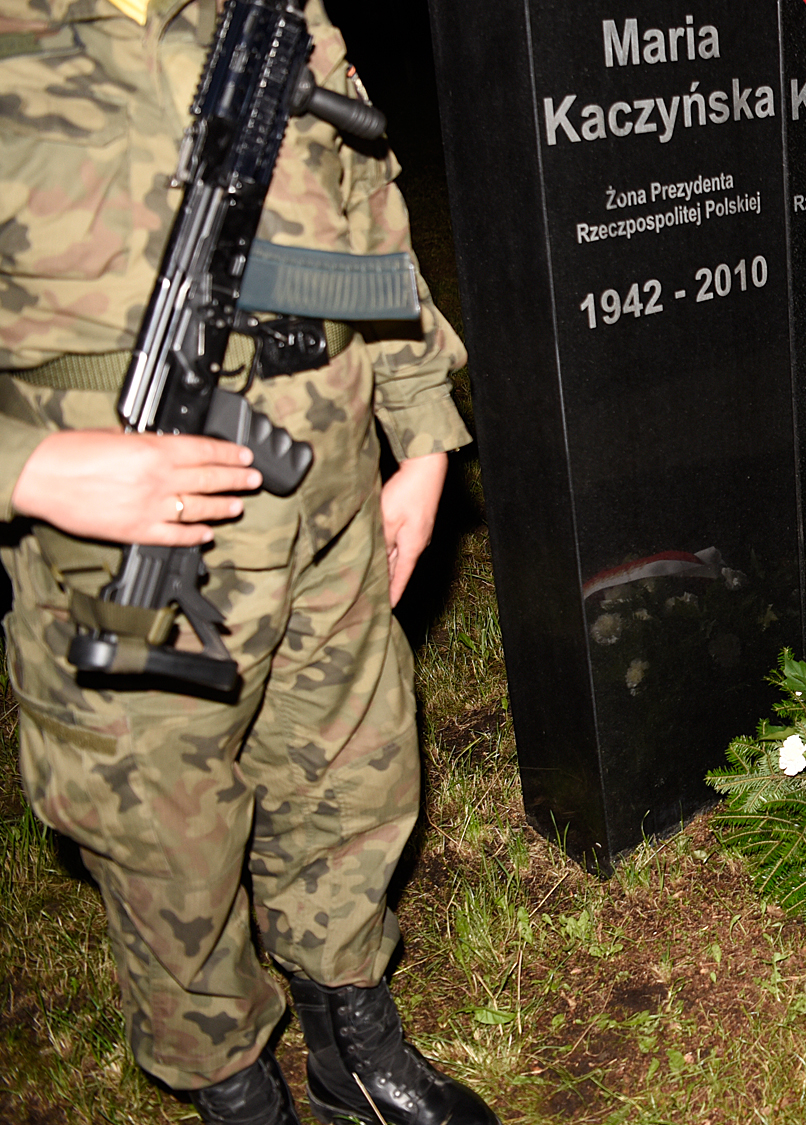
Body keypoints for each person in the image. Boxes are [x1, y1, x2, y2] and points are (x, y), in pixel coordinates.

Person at [0, 1, 494, 1123]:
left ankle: (350, 1041)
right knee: (162, 837)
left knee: (351, 775)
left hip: (328, 494)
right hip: (117, 539)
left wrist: (419, 434)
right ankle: (233, 1089)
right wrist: (27, 466)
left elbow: (368, 214)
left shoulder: (277, 12)